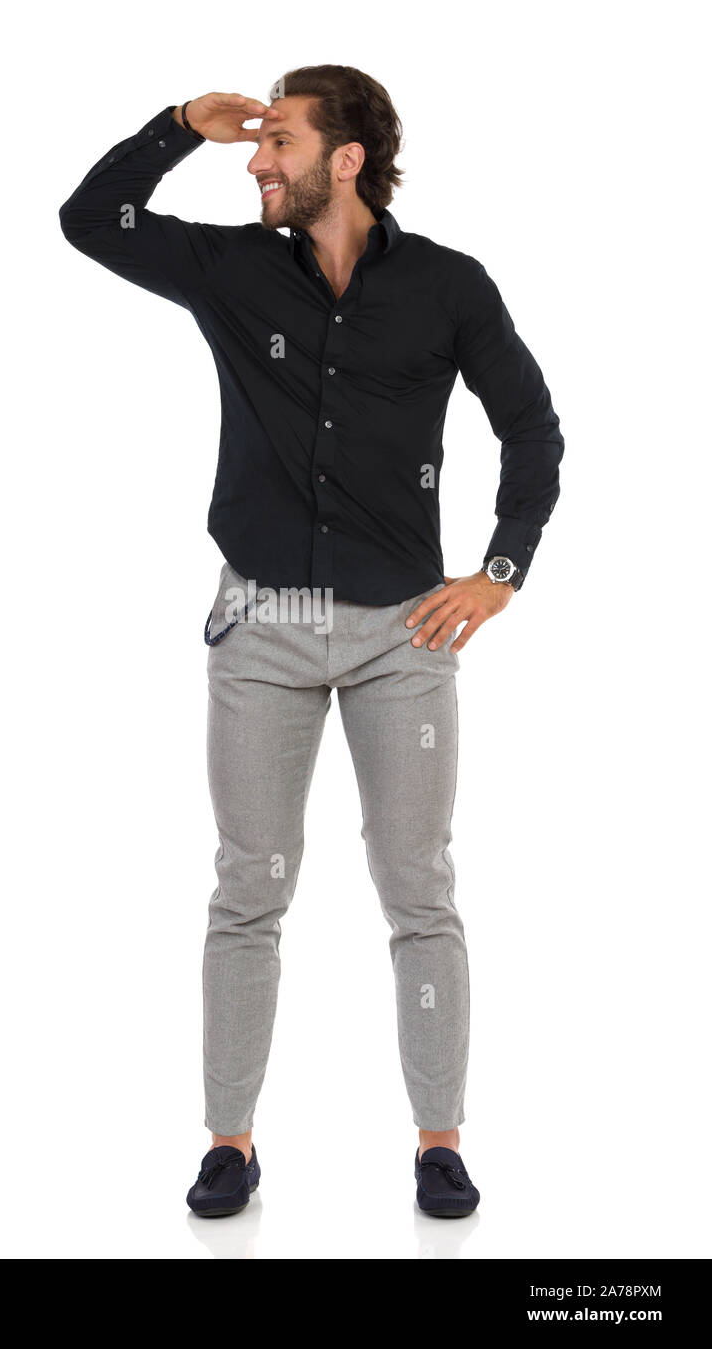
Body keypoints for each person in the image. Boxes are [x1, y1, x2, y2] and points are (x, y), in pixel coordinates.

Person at [59, 65, 564, 1220]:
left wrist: (497, 573)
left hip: (402, 636)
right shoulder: (232, 270)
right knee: (250, 888)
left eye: (276, 140)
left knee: (416, 886)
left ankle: (439, 1141)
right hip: (262, 631)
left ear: (345, 159)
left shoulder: (446, 286)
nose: (256, 159)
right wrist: (178, 126)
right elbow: (91, 220)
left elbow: (529, 430)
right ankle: (229, 1142)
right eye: (254, 140)